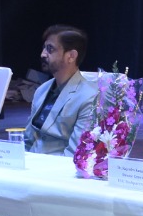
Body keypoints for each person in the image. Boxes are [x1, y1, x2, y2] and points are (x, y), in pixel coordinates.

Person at [24, 25, 98, 155]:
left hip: (59, 165)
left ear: (71, 56)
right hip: (31, 161)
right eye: (44, 48)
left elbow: (76, 152)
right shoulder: (42, 90)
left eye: (50, 49)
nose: (43, 54)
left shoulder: (89, 97)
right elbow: (28, 140)